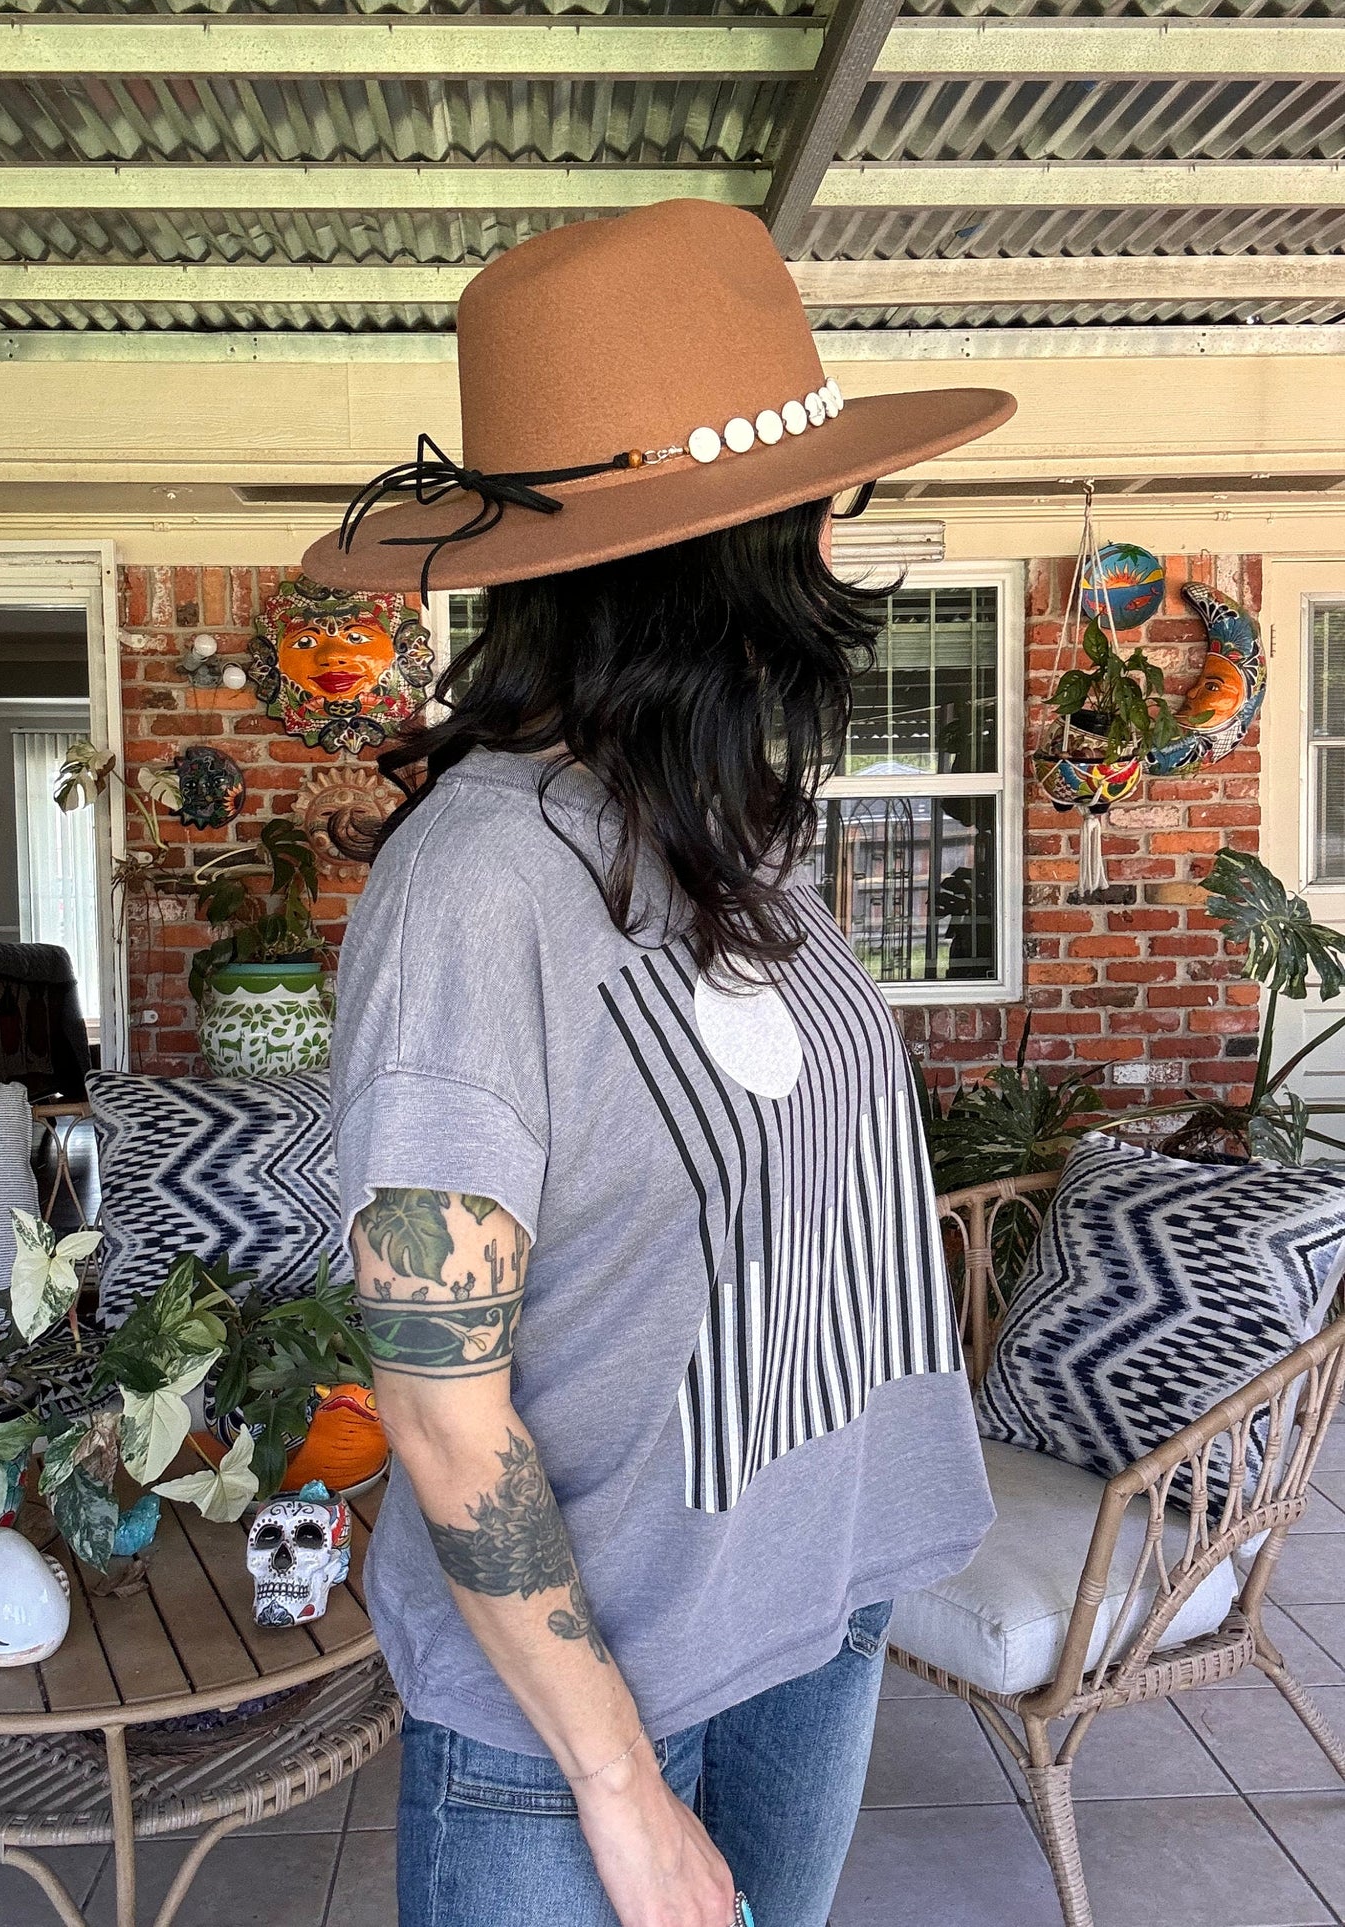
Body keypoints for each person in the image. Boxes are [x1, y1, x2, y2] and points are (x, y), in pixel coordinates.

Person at [306, 199, 1015, 1927]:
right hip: (588, 1714)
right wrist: (618, 1788)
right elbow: (438, 1401)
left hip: (809, 1606)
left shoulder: (725, 827)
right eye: (813, 511)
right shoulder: (479, 883)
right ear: (716, 563)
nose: (832, 551)